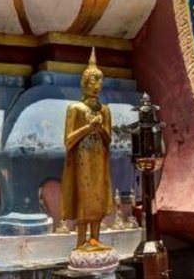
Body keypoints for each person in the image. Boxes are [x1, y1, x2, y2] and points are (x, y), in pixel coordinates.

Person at [61, 49, 113, 251]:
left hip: (99, 158)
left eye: (100, 81)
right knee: (84, 195)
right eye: (93, 81)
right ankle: (81, 240)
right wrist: (87, 128)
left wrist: (100, 129)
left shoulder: (105, 110)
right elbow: (67, 140)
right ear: (85, 83)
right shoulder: (75, 109)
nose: (97, 86)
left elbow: (109, 141)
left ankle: (95, 238)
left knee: (98, 195)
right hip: (82, 158)